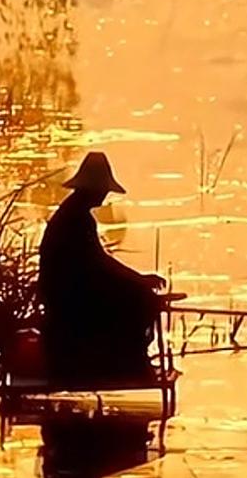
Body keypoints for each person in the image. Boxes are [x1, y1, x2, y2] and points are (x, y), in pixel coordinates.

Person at [38, 152, 166, 386]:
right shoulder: (77, 218)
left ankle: (126, 359)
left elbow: (96, 262)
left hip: (66, 288)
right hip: (67, 294)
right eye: (103, 189)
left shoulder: (73, 213)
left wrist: (135, 280)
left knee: (136, 295)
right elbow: (98, 262)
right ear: (95, 189)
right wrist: (138, 281)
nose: (105, 194)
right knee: (141, 300)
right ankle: (129, 362)